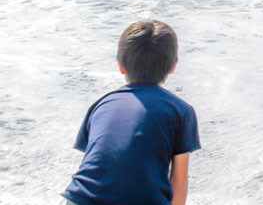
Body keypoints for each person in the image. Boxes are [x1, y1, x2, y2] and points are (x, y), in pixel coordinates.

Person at [61, 20, 200, 205]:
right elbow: (178, 183)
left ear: (120, 65)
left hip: (80, 199)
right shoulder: (181, 111)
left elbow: (101, 166)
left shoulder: (101, 104)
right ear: (173, 65)